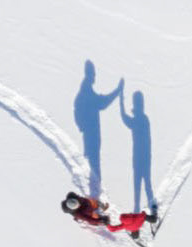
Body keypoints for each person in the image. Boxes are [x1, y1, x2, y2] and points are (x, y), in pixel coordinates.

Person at [73, 60, 124, 198]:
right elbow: (103, 103)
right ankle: (94, 197)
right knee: (94, 163)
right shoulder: (87, 93)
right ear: (90, 75)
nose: (95, 77)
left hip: (90, 133)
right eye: (94, 74)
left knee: (93, 162)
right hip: (92, 134)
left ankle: (94, 195)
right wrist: (118, 91)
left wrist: (82, 127)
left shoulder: (84, 93)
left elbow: (77, 113)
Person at [119, 88, 156, 217]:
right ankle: (152, 208)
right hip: (146, 155)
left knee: (138, 183)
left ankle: (137, 209)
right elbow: (128, 120)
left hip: (138, 156)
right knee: (147, 182)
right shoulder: (144, 118)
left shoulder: (139, 119)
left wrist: (121, 103)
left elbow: (125, 119)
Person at [61, 192, 149, 237]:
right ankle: (100, 218)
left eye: (78, 201)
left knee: (93, 202)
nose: (79, 202)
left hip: (89, 205)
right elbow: (89, 219)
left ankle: (100, 206)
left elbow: (77, 196)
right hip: (88, 212)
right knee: (94, 218)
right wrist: (100, 221)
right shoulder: (78, 214)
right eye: (78, 205)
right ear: (75, 208)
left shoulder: (76, 198)